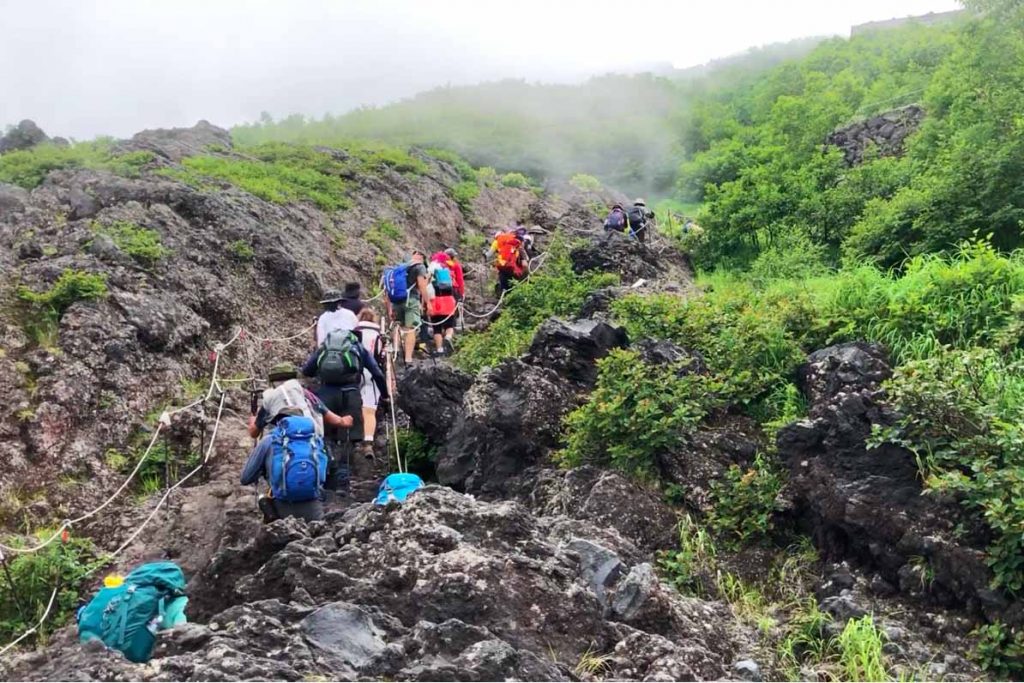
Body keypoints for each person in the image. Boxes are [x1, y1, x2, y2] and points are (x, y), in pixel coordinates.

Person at [301, 329, 389, 497]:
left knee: (326, 437)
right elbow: (376, 373)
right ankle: (343, 481)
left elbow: (307, 371)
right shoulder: (359, 348)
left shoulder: (324, 349)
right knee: (348, 438)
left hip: (325, 394)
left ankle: (326, 478)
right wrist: (385, 395)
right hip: (350, 393)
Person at [240, 411, 336, 522]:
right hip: (314, 508)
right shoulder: (315, 441)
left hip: (282, 509)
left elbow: (245, 478)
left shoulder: (270, 440)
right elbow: (327, 472)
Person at [247, 363, 350, 440]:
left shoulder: (270, 397)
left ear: (272, 381)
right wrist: (345, 420)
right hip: (311, 438)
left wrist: (253, 421)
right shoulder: (305, 393)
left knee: (253, 466)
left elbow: (253, 433)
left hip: (282, 441)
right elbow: (335, 420)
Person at [384, 250, 431, 364]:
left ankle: (395, 354)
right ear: (421, 258)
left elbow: (387, 292)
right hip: (411, 300)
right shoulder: (420, 267)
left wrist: (389, 309)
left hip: (396, 302)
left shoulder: (398, 269)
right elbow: (422, 286)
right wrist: (427, 302)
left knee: (398, 327)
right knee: (411, 329)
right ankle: (408, 359)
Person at [354, 309, 389, 452]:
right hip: (372, 373)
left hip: (353, 372)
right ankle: (368, 442)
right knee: (369, 410)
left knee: (353, 407)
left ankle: (353, 440)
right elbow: (382, 357)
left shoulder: (353, 333)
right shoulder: (379, 335)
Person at [427, 256, 458, 355]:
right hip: (449, 301)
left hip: (436, 303)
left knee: (437, 328)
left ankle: (439, 349)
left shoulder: (431, 272)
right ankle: (448, 337)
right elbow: (455, 286)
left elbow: (426, 288)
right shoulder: (448, 272)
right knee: (449, 325)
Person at [490, 229, 527, 295]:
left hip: (502, 269)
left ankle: (501, 297)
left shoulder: (504, 245)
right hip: (514, 272)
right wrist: (523, 277)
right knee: (512, 291)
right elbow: (524, 265)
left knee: (504, 290)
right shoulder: (520, 248)